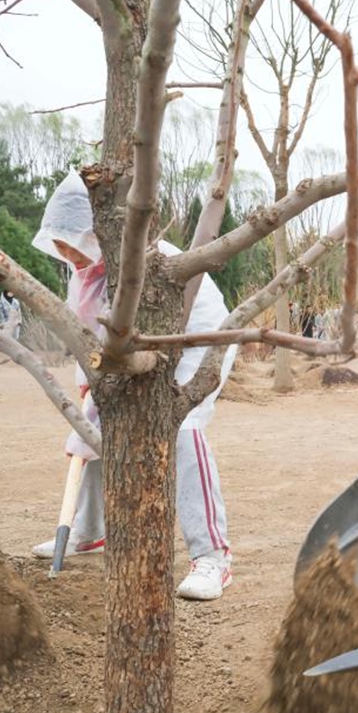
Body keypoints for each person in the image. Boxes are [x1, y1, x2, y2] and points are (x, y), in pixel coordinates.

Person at [28, 171, 239, 601]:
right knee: (93, 434)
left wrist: (101, 389)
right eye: (61, 245)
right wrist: (89, 386)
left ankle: (213, 556)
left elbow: (130, 337)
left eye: (72, 243)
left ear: (94, 231)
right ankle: (87, 530)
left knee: (182, 429)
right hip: (128, 354)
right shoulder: (82, 274)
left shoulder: (142, 261)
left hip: (196, 337)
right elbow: (84, 336)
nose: (67, 252)